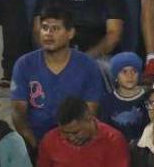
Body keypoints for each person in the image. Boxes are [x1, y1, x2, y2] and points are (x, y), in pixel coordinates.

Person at [11, 8, 105, 150]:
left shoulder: (88, 66)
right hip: (35, 142)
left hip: (76, 141)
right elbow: (19, 114)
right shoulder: (24, 64)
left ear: (70, 33)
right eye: (44, 28)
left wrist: (71, 143)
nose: (48, 33)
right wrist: (34, 145)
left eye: (55, 28)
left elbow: (90, 112)